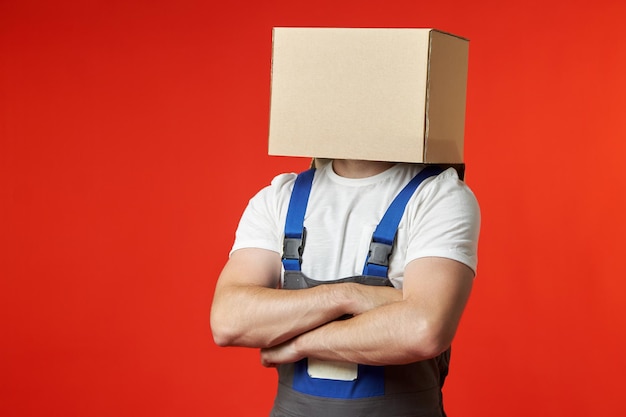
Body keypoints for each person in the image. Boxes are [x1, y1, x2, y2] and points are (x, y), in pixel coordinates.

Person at [210, 158, 480, 417]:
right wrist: (347, 296)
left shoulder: (438, 196)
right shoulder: (279, 197)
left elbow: (424, 329)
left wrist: (298, 344)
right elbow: (228, 321)